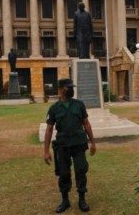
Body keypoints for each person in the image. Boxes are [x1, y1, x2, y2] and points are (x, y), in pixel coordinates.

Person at [43, 78, 97, 213]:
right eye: (68, 87)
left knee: (81, 170)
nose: (70, 90)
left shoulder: (79, 104)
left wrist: (93, 142)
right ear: (60, 90)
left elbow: (86, 124)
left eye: (71, 87)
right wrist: (46, 151)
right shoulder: (54, 108)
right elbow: (49, 130)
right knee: (63, 173)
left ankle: (82, 199)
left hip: (79, 144)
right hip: (62, 145)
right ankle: (65, 200)